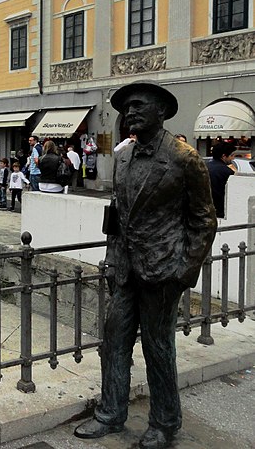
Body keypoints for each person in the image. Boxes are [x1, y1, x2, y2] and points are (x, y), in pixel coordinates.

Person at [74, 81, 217, 449]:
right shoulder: (122, 157)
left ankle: (165, 423)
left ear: (160, 111)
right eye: (126, 108)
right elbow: (118, 216)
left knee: (158, 347)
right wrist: (111, 260)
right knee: (114, 341)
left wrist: (185, 270)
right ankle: (110, 413)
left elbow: (204, 220)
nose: (130, 113)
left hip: (163, 270)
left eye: (138, 106)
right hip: (125, 269)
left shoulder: (185, 158)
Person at [206, 141, 237, 218]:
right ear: (224, 156)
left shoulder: (203, 167)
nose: (233, 158)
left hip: (204, 210)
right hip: (220, 211)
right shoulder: (227, 172)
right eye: (231, 155)